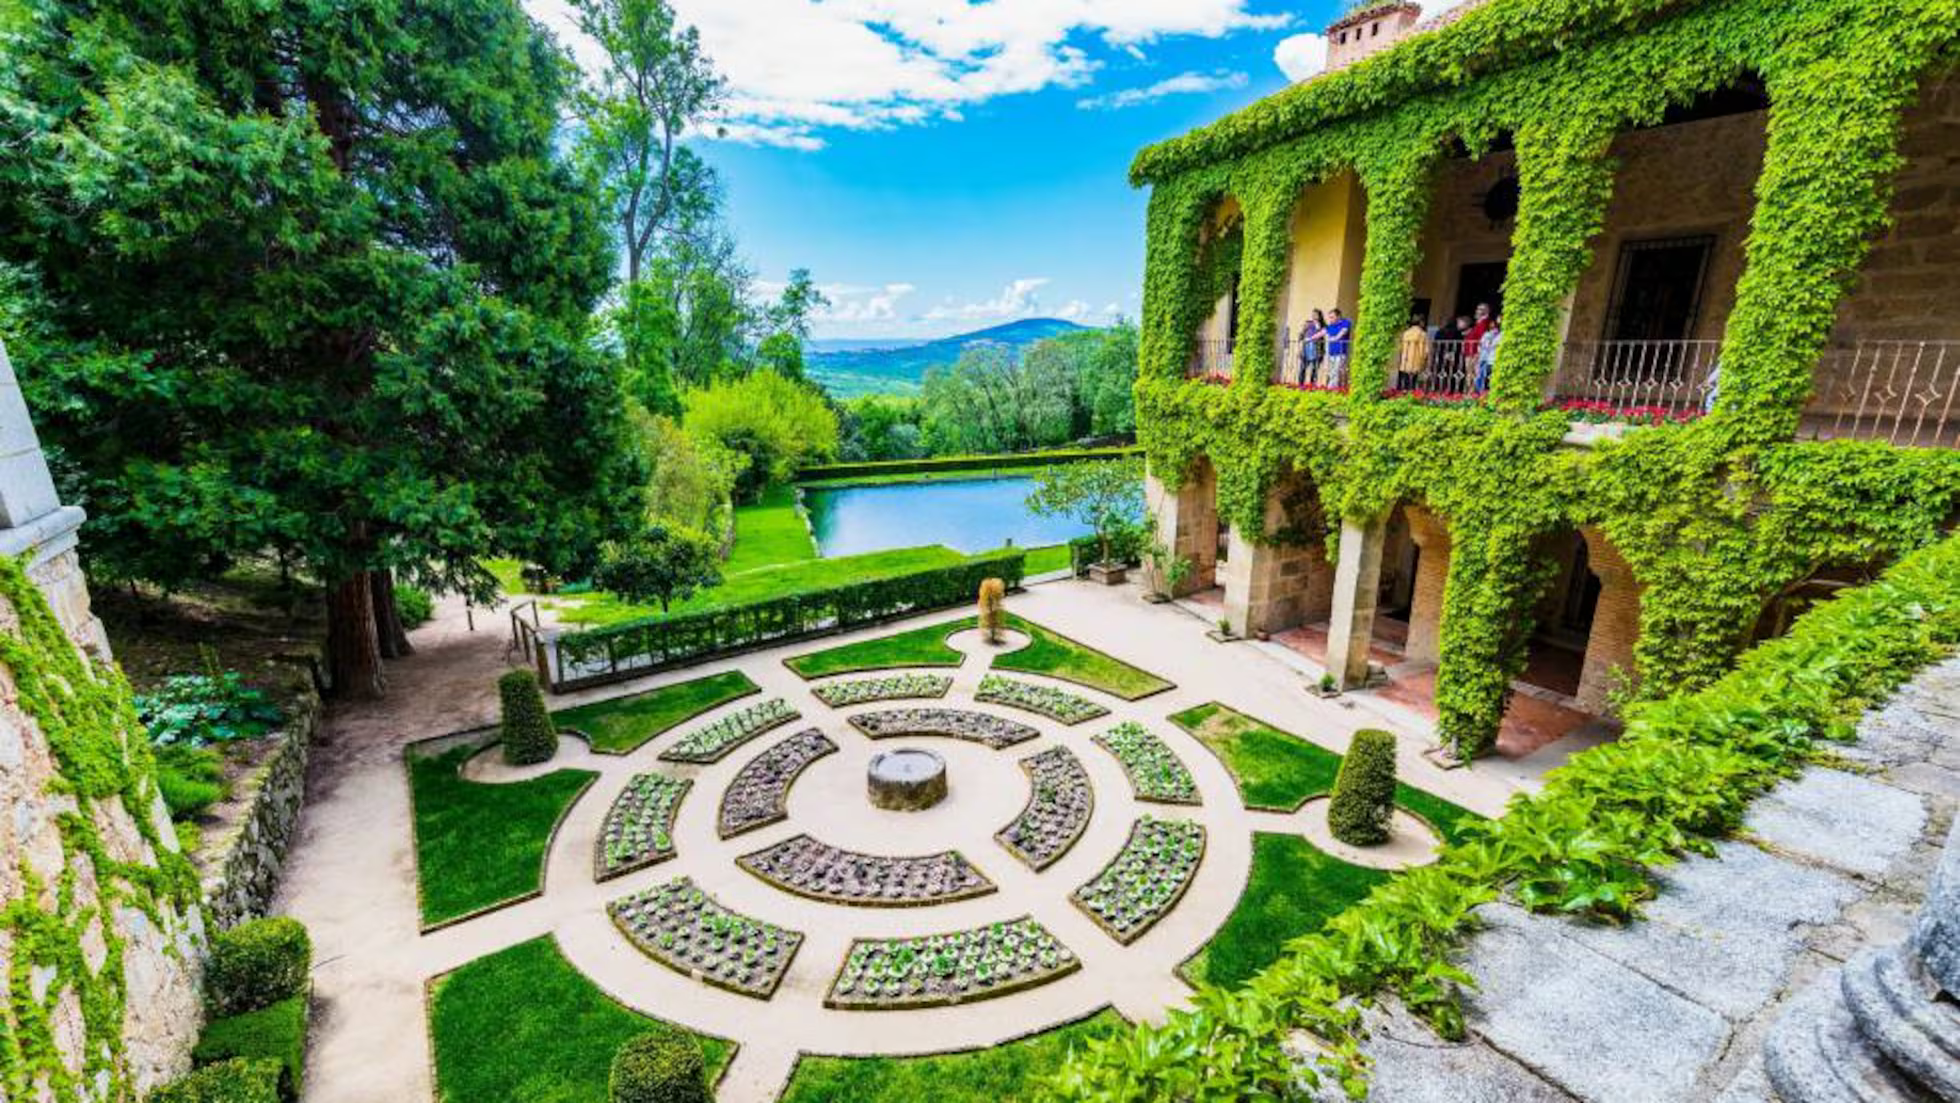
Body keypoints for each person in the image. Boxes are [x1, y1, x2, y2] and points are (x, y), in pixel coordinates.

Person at [1397, 312, 1431, 392]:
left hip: (1405, 361)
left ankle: (1403, 394)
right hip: (1416, 361)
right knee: (1413, 383)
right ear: (1421, 322)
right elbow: (1425, 351)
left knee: (1405, 382)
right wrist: (1426, 362)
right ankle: (1411, 395)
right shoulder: (1422, 334)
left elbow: (1400, 348)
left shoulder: (1406, 333)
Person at [1324, 308, 1354, 387]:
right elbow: (1322, 332)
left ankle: (1331, 388)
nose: (1330, 319)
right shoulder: (1330, 326)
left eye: (1332, 317)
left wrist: (1335, 338)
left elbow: (1343, 331)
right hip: (1331, 353)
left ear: (1338, 316)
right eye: (1329, 317)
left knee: (1336, 371)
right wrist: (1310, 339)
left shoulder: (1345, 322)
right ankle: (1338, 387)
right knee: (1332, 372)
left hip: (1340, 352)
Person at [1297, 310, 1326, 386]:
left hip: (1316, 348)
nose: (1314, 316)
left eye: (1316, 315)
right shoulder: (1308, 323)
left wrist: (1317, 325)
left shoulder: (1322, 325)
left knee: (1314, 368)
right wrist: (1300, 347)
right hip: (1306, 348)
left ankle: (1312, 385)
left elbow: (1321, 334)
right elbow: (1301, 335)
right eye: (1313, 314)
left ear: (1320, 316)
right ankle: (1300, 385)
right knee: (1303, 367)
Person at [1474, 315, 1502, 392]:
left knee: (1490, 378)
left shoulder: (1501, 335)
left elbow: (1493, 345)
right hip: (1485, 358)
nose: (1493, 327)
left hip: (1494, 359)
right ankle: (1480, 392)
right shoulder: (1487, 334)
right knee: (1481, 377)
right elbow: (1482, 345)